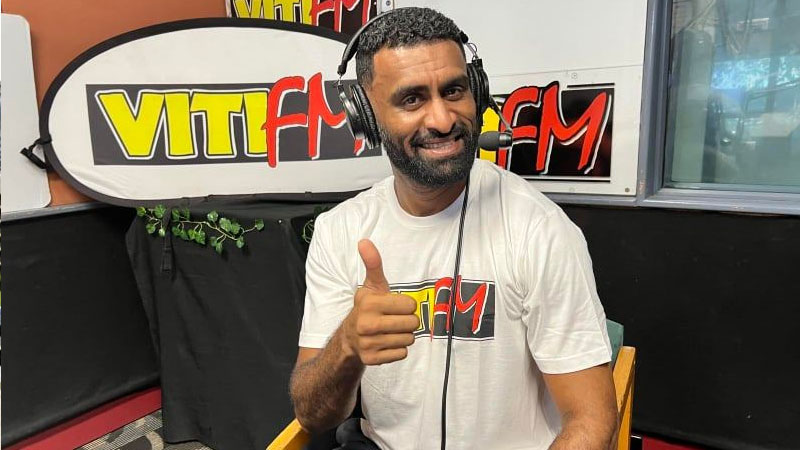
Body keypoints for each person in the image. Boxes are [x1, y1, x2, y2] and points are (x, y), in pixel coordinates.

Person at [290, 7, 617, 450]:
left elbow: (592, 420)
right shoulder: (340, 231)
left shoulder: (539, 229)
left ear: (476, 92)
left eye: (454, 90)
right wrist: (347, 345)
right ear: (366, 116)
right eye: (412, 99)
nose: (443, 120)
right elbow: (312, 415)